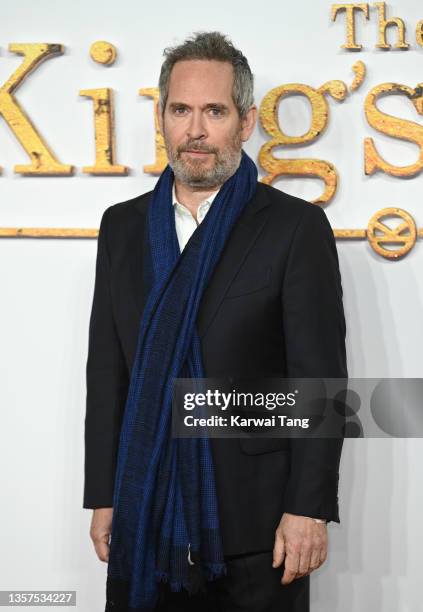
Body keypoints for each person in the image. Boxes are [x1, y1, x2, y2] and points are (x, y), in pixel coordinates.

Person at [83, 31, 347, 612]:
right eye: (180, 110)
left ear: (245, 121)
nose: (195, 130)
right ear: (162, 117)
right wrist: (106, 494)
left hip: (259, 526)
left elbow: (319, 383)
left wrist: (307, 509)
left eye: (214, 111)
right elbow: (107, 373)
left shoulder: (294, 229)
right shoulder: (123, 229)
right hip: (144, 506)